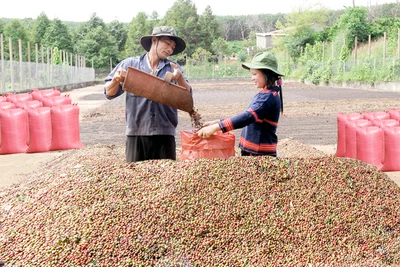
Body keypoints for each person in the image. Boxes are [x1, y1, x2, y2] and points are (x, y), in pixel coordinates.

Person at [104, 26, 192, 162]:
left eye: (173, 47)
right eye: (167, 44)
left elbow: (187, 98)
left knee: (166, 179)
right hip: (136, 134)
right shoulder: (130, 65)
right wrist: (116, 80)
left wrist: (179, 78)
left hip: (165, 135)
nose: (170, 49)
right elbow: (108, 93)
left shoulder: (173, 68)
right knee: (136, 178)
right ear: (154, 40)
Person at [197, 51, 283, 157]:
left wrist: (216, 127)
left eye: (254, 74)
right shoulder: (266, 94)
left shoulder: (268, 98)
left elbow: (248, 117)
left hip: (259, 155)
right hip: (253, 151)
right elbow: (249, 116)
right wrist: (218, 122)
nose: (252, 78)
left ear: (266, 74)